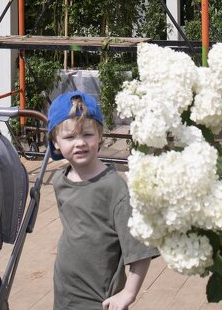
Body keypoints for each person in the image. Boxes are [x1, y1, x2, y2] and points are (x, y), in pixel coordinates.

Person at [48, 91, 157, 310]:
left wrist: (128, 293)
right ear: (56, 142)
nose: (79, 143)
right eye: (69, 137)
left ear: (100, 136)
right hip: (65, 294)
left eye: (87, 134)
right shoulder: (61, 180)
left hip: (100, 300)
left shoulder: (114, 189)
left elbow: (141, 248)